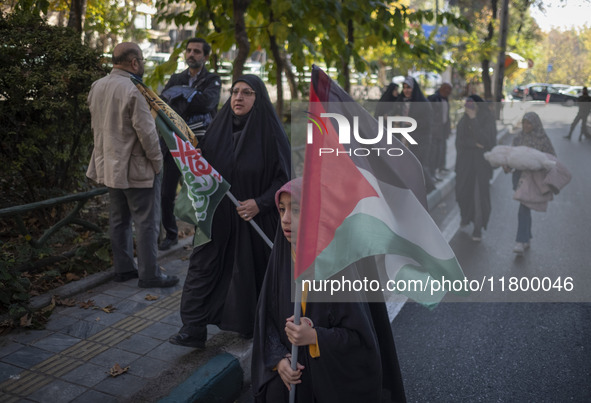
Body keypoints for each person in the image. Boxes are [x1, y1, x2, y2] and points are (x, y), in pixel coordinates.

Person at [251, 179, 406, 403]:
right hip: (291, 375)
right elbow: (266, 322)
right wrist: (278, 361)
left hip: (329, 380)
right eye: (282, 209)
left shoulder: (338, 265)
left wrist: (314, 337)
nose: (285, 219)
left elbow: (361, 343)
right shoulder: (281, 258)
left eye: (295, 210)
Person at [169, 75, 290, 347]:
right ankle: (193, 327)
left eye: (247, 93)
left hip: (255, 217)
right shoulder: (218, 128)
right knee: (203, 268)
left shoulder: (270, 132)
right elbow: (206, 167)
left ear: (258, 98)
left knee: (250, 273)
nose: (238, 97)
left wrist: (260, 202)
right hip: (217, 216)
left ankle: (251, 323)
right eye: (235, 91)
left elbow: (284, 179)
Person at [86, 42, 179, 288]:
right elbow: (147, 134)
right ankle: (150, 275)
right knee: (147, 222)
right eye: (143, 61)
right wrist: (158, 163)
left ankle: (124, 269)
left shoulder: (97, 86)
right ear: (135, 62)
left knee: (119, 220)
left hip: (109, 167)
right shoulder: (134, 89)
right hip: (138, 168)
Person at [158, 38, 222, 251]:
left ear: (205, 56)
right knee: (166, 193)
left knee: (200, 191)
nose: (191, 54)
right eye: (189, 50)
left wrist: (182, 96)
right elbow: (164, 104)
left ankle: (203, 234)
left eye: (196, 51)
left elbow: (208, 103)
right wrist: (189, 97)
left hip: (201, 145)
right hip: (174, 143)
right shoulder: (176, 78)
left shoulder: (212, 79)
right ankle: (171, 234)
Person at [504, 112, 556, 255]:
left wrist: (539, 163)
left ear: (535, 124)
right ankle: (527, 236)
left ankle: (520, 240)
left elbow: (552, 158)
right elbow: (511, 157)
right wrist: (507, 165)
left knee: (524, 207)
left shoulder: (543, 139)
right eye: (524, 123)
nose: (526, 126)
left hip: (534, 178)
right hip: (519, 177)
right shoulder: (519, 138)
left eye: (529, 123)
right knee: (525, 206)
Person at [455, 95, 496, 242]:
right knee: (462, 193)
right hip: (464, 165)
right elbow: (459, 141)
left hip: (481, 166)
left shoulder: (487, 119)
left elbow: (486, 141)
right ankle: (465, 217)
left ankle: (478, 228)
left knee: (479, 197)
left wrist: (474, 119)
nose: (469, 109)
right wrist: (474, 144)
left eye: (472, 106)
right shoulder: (463, 121)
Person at [396, 76, 435, 193]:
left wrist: (412, 123)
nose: (406, 90)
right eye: (404, 87)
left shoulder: (423, 103)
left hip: (420, 138)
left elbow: (428, 123)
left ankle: (429, 186)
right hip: (404, 138)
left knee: (419, 164)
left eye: (409, 87)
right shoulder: (402, 102)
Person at [428, 82, 452, 179]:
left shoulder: (445, 99)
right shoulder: (433, 98)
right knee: (434, 152)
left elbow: (446, 115)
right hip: (434, 131)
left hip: (442, 130)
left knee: (441, 150)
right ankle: (432, 173)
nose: (448, 91)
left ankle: (440, 167)